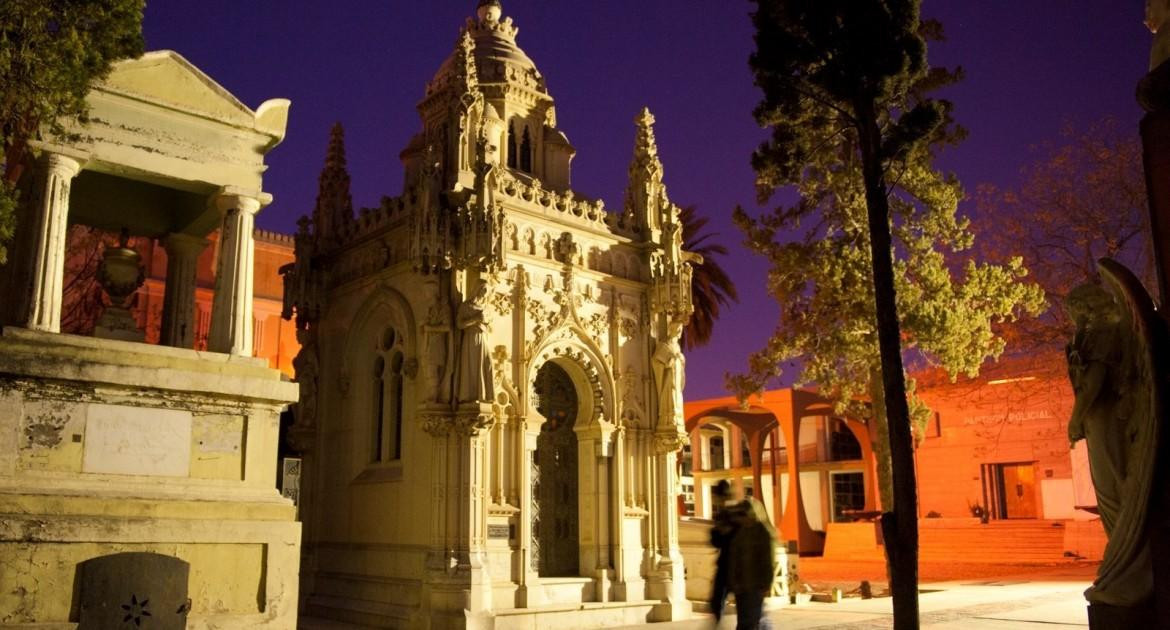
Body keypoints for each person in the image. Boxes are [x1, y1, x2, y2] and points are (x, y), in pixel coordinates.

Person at [728, 498, 777, 630]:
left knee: (752, 621)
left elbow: (767, 560)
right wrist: (733, 582)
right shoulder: (740, 532)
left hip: (755, 585)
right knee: (747, 621)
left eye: (744, 514)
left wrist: (766, 583)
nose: (742, 518)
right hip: (741, 586)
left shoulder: (762, 533)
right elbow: (734, 558)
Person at [708, 480, 736, 623]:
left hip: (736, 564)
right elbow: (716, 541)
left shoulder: (735, 514)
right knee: (716, 601)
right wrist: (717, 532)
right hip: (725, 563)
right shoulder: (721, 515)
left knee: (747, 605)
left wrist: (723, 532)